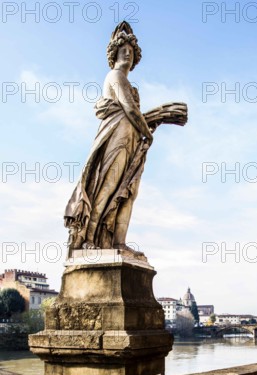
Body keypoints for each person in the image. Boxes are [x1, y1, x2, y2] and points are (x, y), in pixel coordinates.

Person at [64, 22, 153, 253]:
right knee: (108, 187)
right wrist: (147, 132)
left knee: (127, 193)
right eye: (123, 49)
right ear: (113, 54)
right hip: (117, 139)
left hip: (129, 141)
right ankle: (88, 240)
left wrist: (143, 130)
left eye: (131, 52)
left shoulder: (129, 83)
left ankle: (118, 243)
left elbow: (134, 112)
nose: (128, 53)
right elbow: (131, 110)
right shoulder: (115, 75)